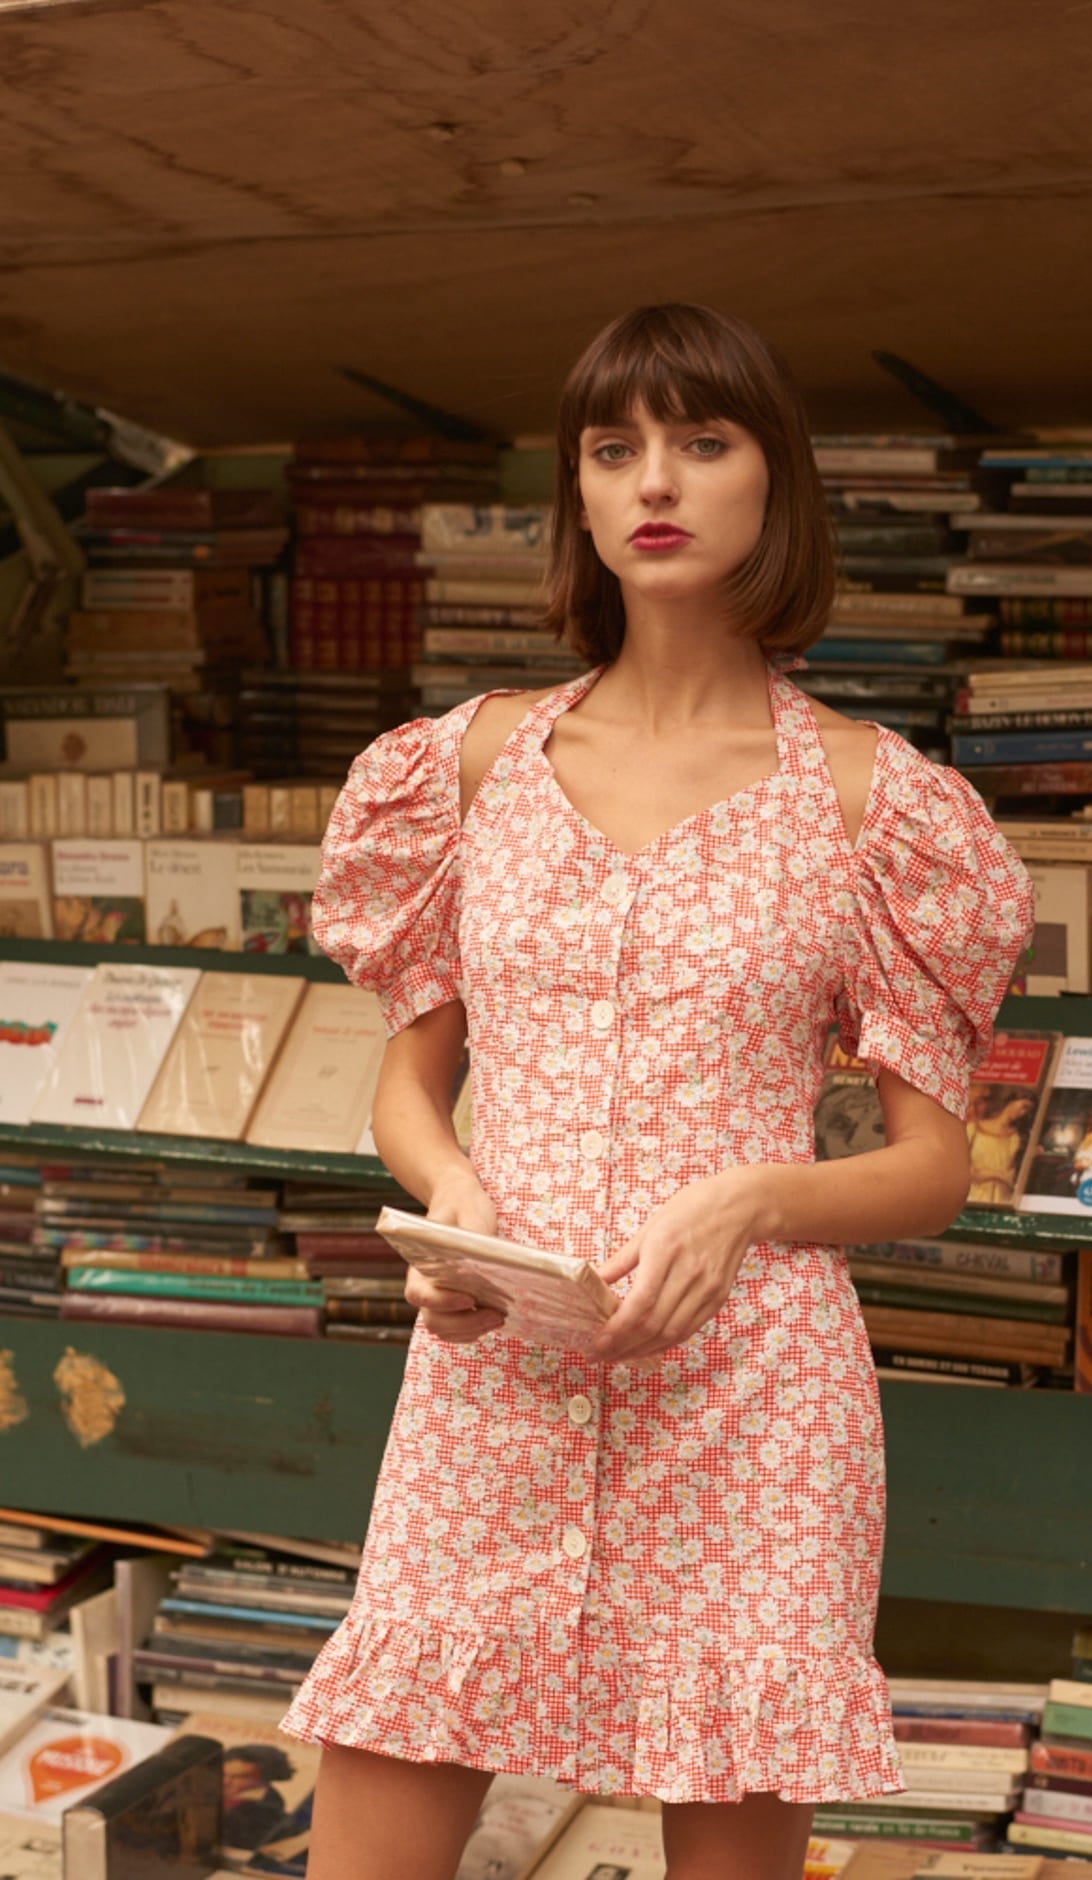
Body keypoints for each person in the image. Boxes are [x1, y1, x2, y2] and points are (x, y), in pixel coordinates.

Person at [282, 303, 1034, 1880]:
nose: (656, 481)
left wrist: (751, 1199)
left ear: (777, 481)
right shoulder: (462, 771)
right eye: (613, 448)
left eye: (703, 440)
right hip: (494, 1376)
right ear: (580, 491)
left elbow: (934, 1167)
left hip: (755, 1402)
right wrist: (455, 1199)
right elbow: (410, 1085)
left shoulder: (880, 807)